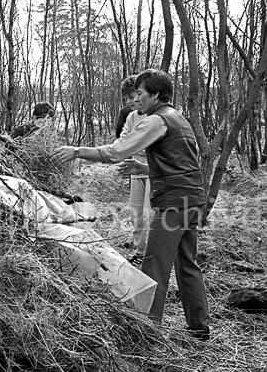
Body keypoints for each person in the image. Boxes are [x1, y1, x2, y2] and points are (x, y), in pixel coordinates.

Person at [51, 69, 210, 339]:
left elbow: (115, 152)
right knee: (187, 263)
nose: (135, 99)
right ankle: (199, 327)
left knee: (154, 265)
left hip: (172, 203)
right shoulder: (179, 119)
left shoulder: (156, 121)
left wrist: (77, 151)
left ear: (156, 95)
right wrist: (144, 168)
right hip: (192, 198)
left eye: (140, 94)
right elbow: (181, 164)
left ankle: (146, 331)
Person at [117, 75, 151, 267]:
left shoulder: (154, 116)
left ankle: (152, 253)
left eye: (133, 96)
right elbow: (124, 142)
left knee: (150, 215)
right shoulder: (131, 117)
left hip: (153, 172)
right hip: (136, 172)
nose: (130, 101)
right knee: (136, 214)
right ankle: (140, 251)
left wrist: (135, 146)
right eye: (126, 99)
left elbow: (151, 145)